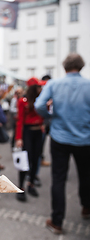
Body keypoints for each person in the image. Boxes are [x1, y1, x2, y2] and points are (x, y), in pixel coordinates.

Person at [34, 53, 90, 234]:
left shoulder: (54, 84)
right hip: (84, 138)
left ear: (64, 67)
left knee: (58, 178)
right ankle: (87, 207)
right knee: (86, 175)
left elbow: (39, 105)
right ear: (81, 66)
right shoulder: (88, 85)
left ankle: (57, 221)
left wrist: (51, 117)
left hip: (59, 137)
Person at [15, 77, 46, 202]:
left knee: (35, 158)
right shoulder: (23, 101)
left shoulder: (40, 100)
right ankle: (21, 187)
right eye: (38, 87)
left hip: (38, 132)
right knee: (25, 160)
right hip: (27, 132)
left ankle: (31, 183)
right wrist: (18, 137)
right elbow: (20, 120)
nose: (41, 89)